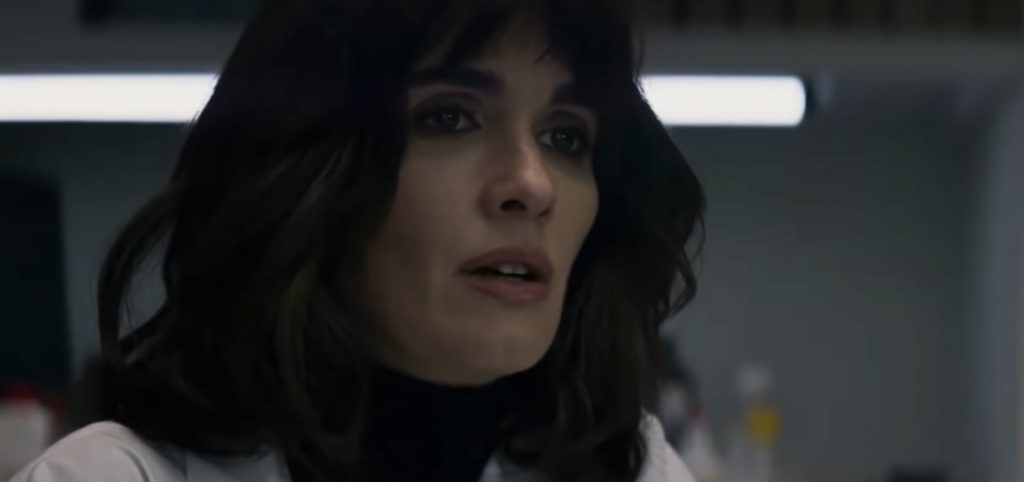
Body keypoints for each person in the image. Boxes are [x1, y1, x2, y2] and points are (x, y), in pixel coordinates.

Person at [10, 0, 705, 480]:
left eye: (565, 136)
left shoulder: (631, 469)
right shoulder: (107, 476)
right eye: (450, 118)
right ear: (307, 174)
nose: (531, 183)